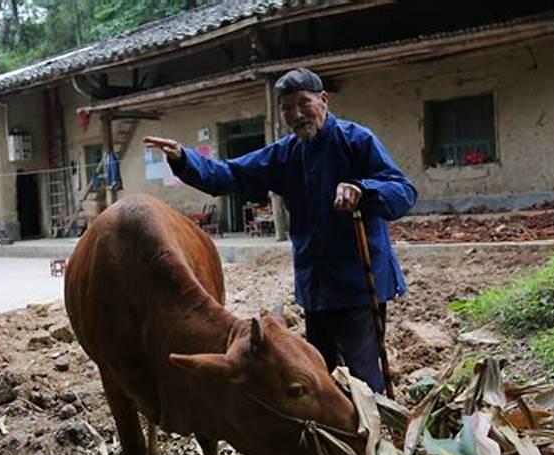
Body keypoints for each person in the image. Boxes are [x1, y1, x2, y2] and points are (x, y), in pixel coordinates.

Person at [144, 67, 417, 394]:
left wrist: (364, 189)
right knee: (320, 373)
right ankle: (331, 439)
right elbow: (229, 174)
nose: (296, 114)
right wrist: (184, 159)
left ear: (323, 100)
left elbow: (403, 191)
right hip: (315, 286)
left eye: (304, 103)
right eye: (287, 108)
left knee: (363, 375)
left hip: (359, 282)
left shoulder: (356, 140)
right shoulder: (285, 154)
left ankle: (373, 437)